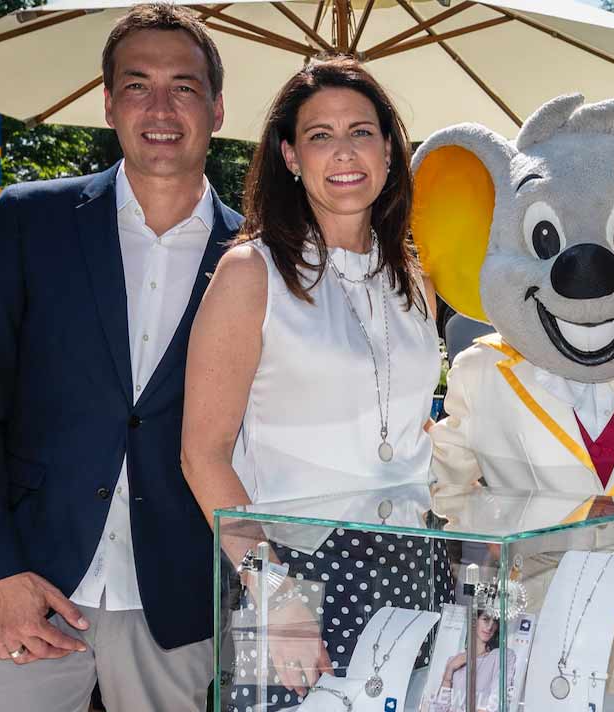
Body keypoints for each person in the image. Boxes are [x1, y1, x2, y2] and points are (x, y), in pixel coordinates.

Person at [0, 5, 238, 710]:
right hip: (32, 590)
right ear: (108, 104)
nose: (159, 107)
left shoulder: (256, 257)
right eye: (137, 85)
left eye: (184, 87)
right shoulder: (26, 221)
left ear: (218, 108)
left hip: (180, 602)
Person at [181, 56, 451, 710]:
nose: (344, 152)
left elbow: (415, 431)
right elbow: (202, 455)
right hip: (289, 575)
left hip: (418, 566)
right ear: (290, 156)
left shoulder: (416, 276)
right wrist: (276, 598)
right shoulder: (251, 271)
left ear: (389, 147)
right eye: (320, 135)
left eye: (360, 131)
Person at [432, 612, 517, 712]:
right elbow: (438, 709)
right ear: (474, 620)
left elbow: (496, 705)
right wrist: (449, 671)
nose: (490, 627)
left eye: (495, 622)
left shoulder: (502, 656)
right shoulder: (453, 661)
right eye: (485, 619)